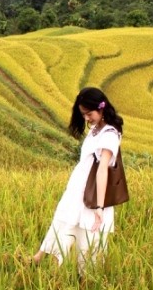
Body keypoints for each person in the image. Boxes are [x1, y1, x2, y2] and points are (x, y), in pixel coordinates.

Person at [32, 87, 124, 270]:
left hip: (92, 193)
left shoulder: (110, 135)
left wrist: (99, 206)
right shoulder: (96, 129)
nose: (86, 118)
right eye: (83, 114)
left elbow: (102, 170)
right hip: (78, 188)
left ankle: (85, 276)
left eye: (88, 114)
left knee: (88, 234)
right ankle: (39, 260)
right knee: (63, 221)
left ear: (101, 108)